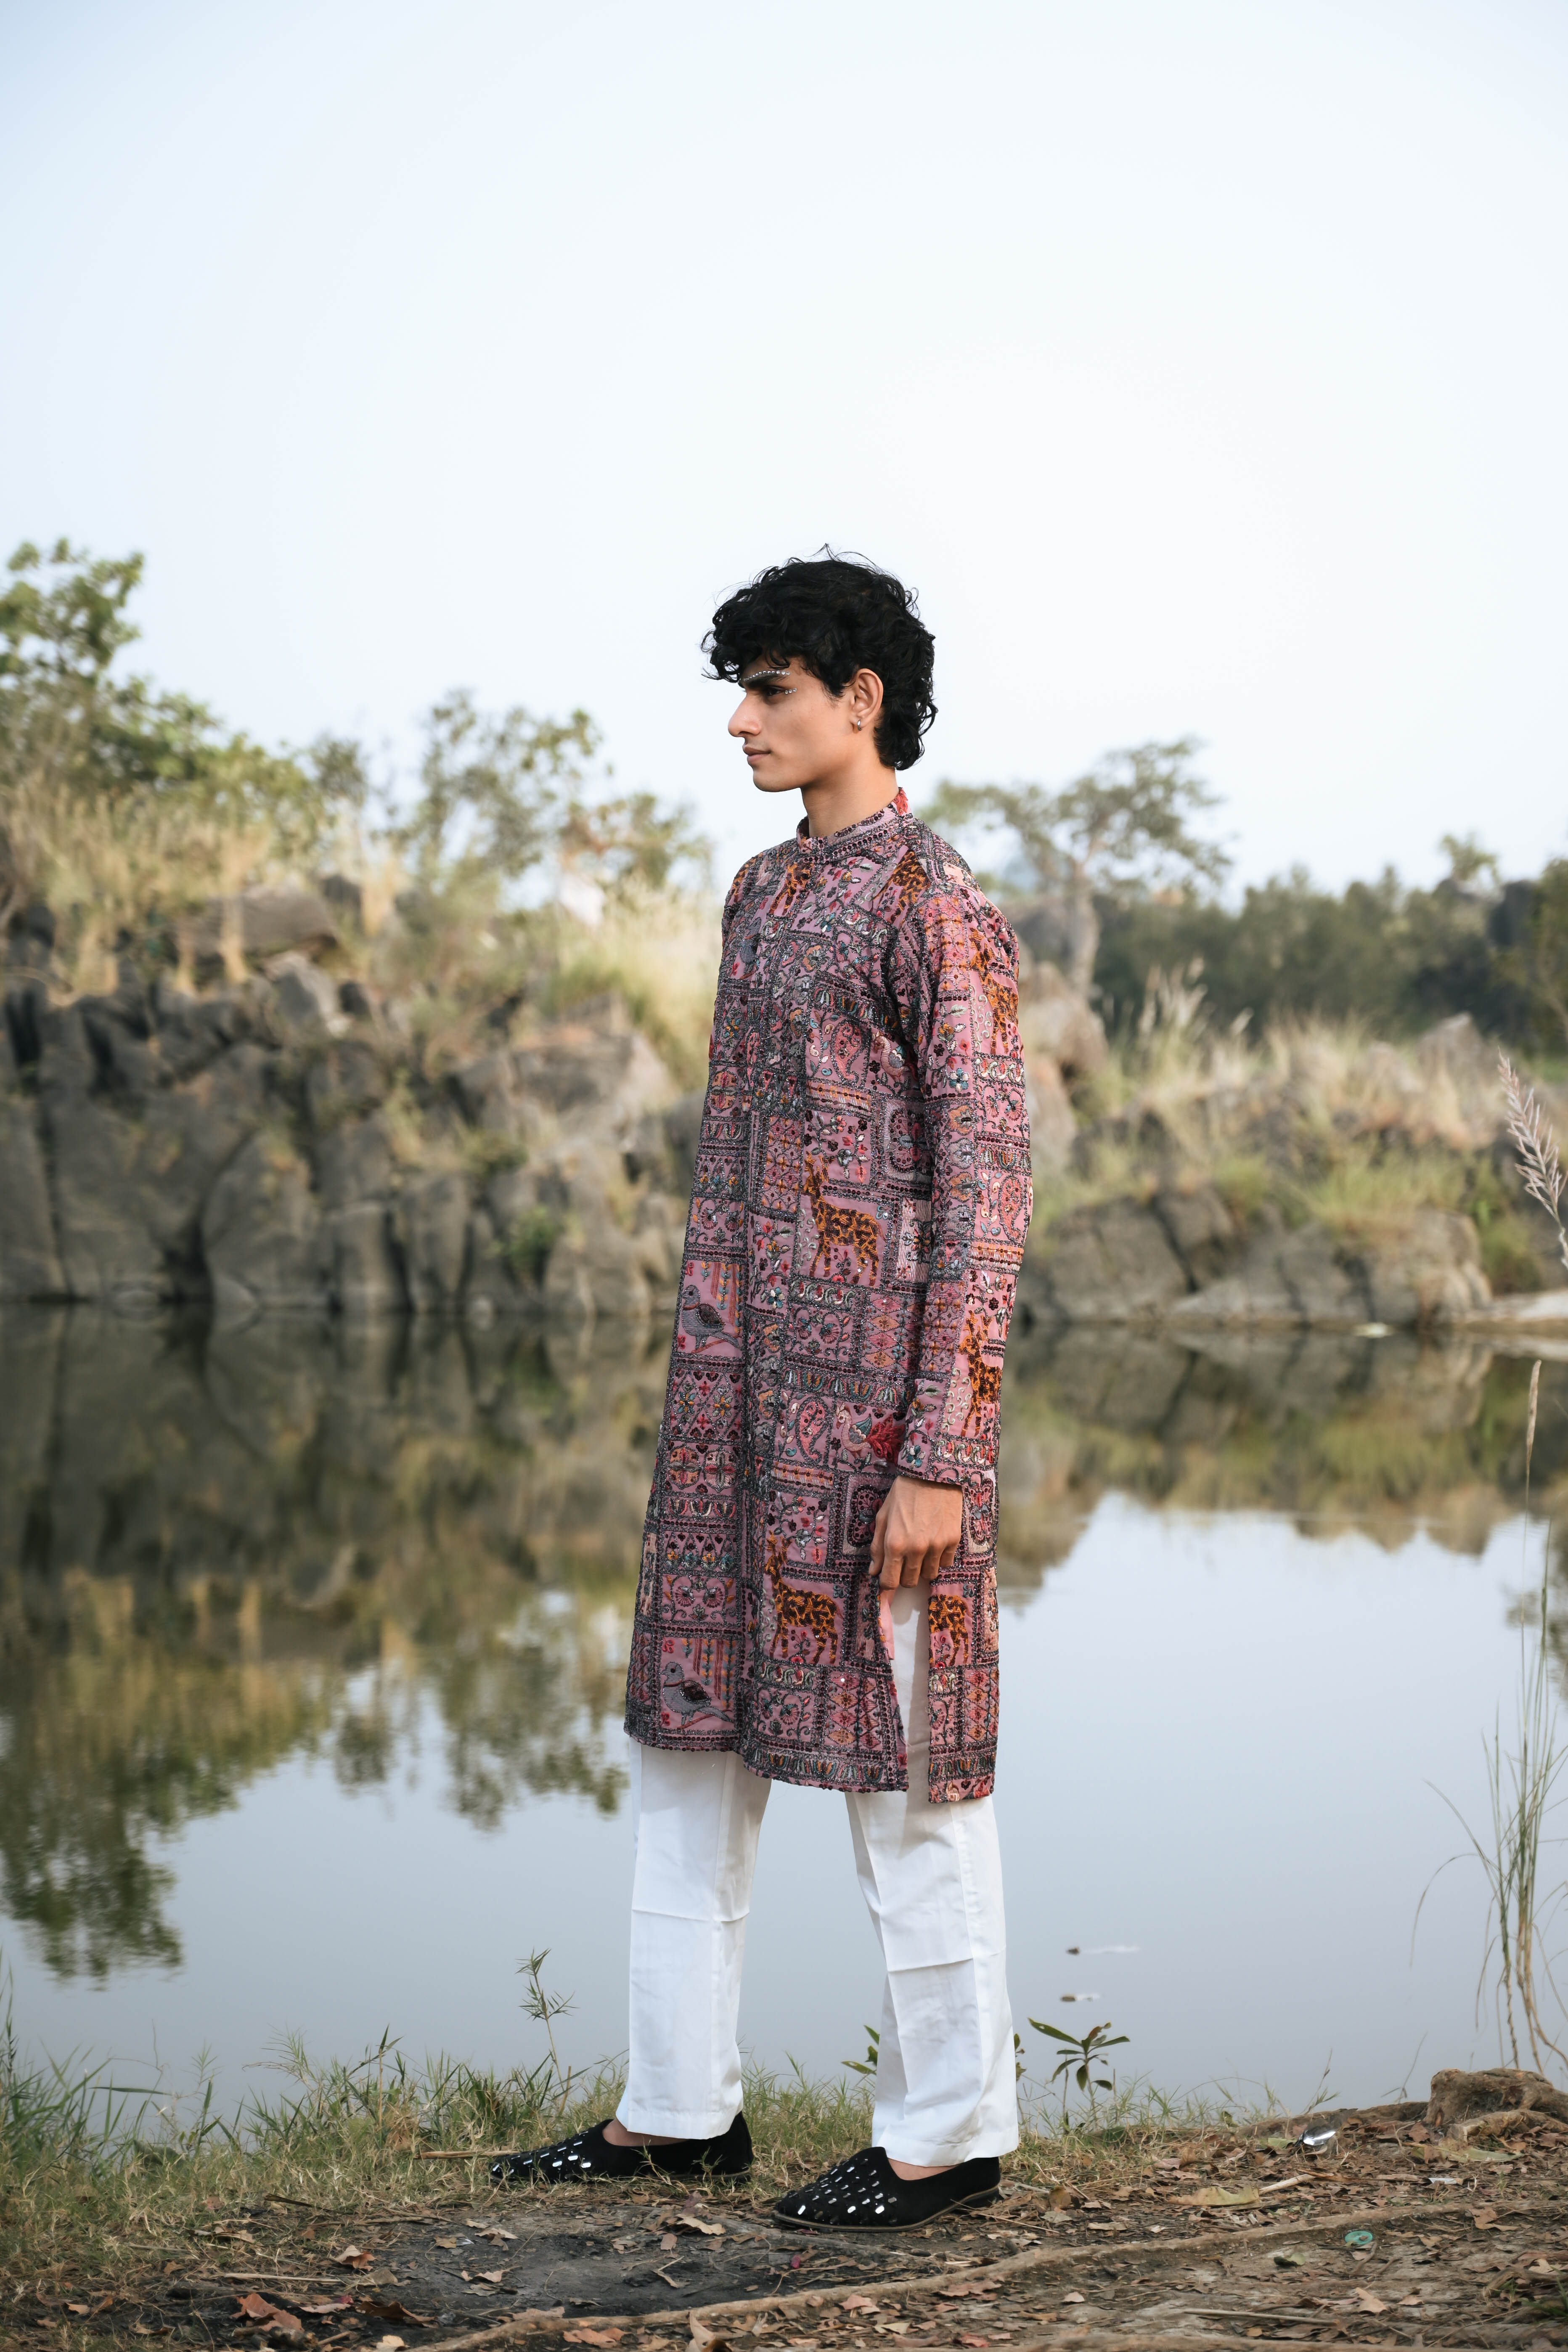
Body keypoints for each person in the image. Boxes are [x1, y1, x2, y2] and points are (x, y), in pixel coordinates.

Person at [495, 553, 1033, 2231]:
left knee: (911, 1783)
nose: (740, 720)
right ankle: (676, 2110)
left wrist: (942, 1455)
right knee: (684, 1755)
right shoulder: (758, 893)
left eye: (771, 689)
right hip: (729, 1415)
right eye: (737, 689)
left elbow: (988, 1191)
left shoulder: (937, 907)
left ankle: (950, 2134)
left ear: (859, 700)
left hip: (878, 1433)